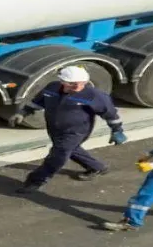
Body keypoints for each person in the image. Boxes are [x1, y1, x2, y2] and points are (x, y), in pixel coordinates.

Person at [15, 65, 127, 194]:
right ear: (63, 82)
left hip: (76, 131)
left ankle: (36, 180)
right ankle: (97, 167)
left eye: (81, 84)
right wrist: (22, 113)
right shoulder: (52, 88)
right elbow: (37, 102)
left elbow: (110, 114)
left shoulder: (94, 95)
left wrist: (117, 130)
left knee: (58, 155)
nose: (78, 88)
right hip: (54, 128)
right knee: (70, 149)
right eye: (73, 85)